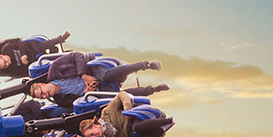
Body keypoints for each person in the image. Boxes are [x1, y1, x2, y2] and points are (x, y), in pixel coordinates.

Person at [28, 51, 169, 108]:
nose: (46, 96)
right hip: (95, 91)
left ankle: (145, 65)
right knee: (118, 98)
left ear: (42, 84)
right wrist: (87, 92)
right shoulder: (60, 101)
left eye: (43, 92)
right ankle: (153, 89)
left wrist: (84, 76)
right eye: (43, 97)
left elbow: (76, 56)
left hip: (92, 70)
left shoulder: (55, 68)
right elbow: (78, 104)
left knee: (107, 76)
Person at [78, 91, 189, 137]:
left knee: (136, 128)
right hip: (133, 134)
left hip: (136, 117)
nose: (95, 136)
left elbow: (122, 95)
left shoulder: (107, 112)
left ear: (94, 125)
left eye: (92, 133)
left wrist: (127, 109)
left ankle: (169, 120)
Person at [0, 32, 71, 83]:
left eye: (5, 62)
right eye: (5, 66)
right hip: (34, 61)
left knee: (38, 47)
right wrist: (27, 64)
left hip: (30, 48)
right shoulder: (11, 71)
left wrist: (23, 54)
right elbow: (25, 72)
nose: (7, 64)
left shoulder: (6, 48)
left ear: (2, 55)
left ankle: (60, 38)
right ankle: (65, 55)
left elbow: (20, 43)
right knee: (43, 62)